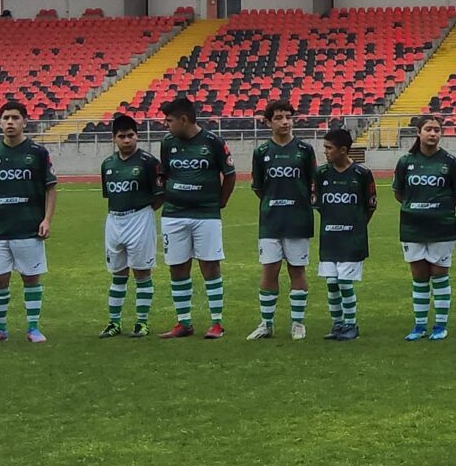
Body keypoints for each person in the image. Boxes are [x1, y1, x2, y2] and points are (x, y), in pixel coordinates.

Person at [0, 99, 58, 344]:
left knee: (30, 277)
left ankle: (33, 327)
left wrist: (46, 219)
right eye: (5, 118)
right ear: (0, 123)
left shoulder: (37, 153)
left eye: (14, 118)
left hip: (28, 226)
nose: (10, 122)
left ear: (25, 121)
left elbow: (51, 188)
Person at [156, 96, 236, 339]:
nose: (166, 124)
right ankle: (183, 322)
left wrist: (221, 201)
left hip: (206, 214)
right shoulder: (167, 143)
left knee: (210, 264)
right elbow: (165, 174)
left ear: (184, 119)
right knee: (177, 267)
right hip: (174, 215)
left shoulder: (213, 142)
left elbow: (230, 174)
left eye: (169, 120)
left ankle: (216, 322)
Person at [249, 99, 319, 340]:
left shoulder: (304, 150)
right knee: (269, 270)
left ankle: (297, 323)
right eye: (278, 118)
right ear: (268, 122)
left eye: (288, 117)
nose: (285, 122)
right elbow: (259, 187)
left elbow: (313, 183)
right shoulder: (261, 152)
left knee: (297, 270)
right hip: (270, 220)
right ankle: (266, 324)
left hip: (298, 218)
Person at [394, 114, 456, 340]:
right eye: (428, 129)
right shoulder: (406, 161)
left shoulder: (450, 162)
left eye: (437, 130)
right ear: (419, 132)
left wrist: (439, 209)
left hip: (441, 226)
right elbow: (399, 192)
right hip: (412, 226)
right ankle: (419, 325)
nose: (433, 133)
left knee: (440, 275)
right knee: (419, 275)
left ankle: (440, 325)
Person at [98, 111, 163, 337]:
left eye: (131, 135)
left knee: (142, 272)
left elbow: (159, 193)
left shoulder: (148, 162)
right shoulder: (107, 164)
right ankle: (114, 322)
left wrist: (144, 212)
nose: (127, 140)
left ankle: (141, 322)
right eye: (122, 136)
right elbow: (110, 194)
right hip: (114, 218)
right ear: (114, 138)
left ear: (137, 136)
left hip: (140, 218)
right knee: (118, 273)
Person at [314, 127, 378, 338]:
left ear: (343, 150)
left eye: (328, 148)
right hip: (329, 237)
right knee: (331, 283)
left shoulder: (361, 174)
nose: (325, 152)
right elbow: (319, 204)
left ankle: (351, 324)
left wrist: (356, 226)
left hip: (352, 239)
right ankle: (337, 324)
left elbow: (370, 206)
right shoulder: (321, 173)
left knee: (344, 282)